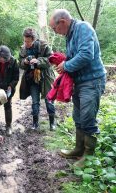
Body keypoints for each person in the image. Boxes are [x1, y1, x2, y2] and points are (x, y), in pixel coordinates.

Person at [49, 9, 106, 167]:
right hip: (80, 81)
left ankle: (88, 156)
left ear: (63, 22)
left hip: (92, 80)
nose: (55, 32)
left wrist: (66, 65)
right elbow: (76, 55)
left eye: (54, 28)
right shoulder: (70, 34)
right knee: (78, 117)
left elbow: (87, 54)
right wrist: (62, 61)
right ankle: (79, 149)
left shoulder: (83, 28)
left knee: (88, 118)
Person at [19, 27, 56, 130]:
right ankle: (35, 124)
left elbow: (52, 60)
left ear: (34, 39)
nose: (26, 43)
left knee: (49, 100)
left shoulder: (44, 46)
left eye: (28, 42)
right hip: (32, 79)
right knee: (35, 102)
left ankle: (52, 123)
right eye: (25, 41)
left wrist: (38, 61)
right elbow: (20, 64)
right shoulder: (23, 49)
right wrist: (25, 62)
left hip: (46, 77)